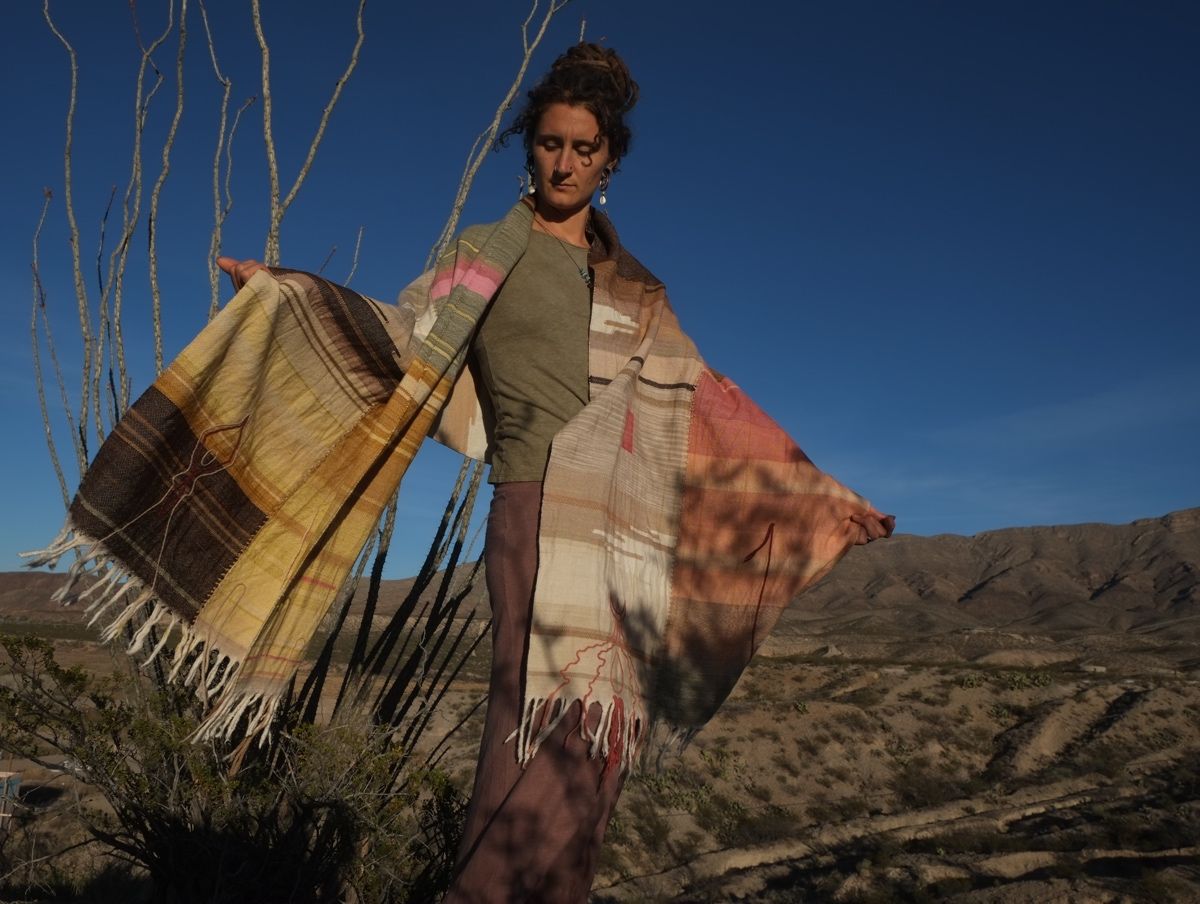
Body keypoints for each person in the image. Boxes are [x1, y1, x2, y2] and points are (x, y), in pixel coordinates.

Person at [218, 42, 894, 904]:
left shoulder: (639, 290)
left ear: (610, 160)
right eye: (549, 143)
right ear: (527, 147)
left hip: (632, 531)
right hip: (535, 514)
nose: (565, 162)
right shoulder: (488, 253)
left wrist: (819, 500)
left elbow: (705, 409)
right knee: (536, 732)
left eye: (584, 148)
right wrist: (283, 291)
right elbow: (401, 335)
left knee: (597, 753)